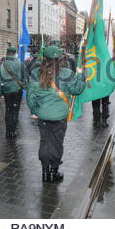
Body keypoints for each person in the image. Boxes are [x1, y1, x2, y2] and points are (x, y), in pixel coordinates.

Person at [27, 46, 85, 183]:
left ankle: (45, 172)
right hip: (59, 116)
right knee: (57, 143)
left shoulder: (36, 73)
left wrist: (35, 110)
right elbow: (77, 90)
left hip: (43, 116)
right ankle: (54, 171)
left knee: (45, 142)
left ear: (44, 58)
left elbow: (30, 96)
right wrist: (81, 76)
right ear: (59, 59)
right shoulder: (66, 73)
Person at [0, 47, 25, 139]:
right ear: (14, 53)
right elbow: (25, 77)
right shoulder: (20, 64)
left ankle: (8, 131)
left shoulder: (1, 64)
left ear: (7, 53)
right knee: (15, 111)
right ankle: (13, 131)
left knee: (8, 110)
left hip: (6, 90)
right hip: (17, 89)